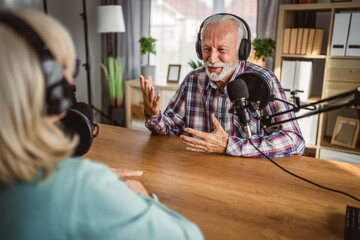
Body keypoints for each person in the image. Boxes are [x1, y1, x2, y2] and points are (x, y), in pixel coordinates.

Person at [0, 9, 203, 240]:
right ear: (50, 89)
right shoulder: (79, 186)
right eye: (67, 68)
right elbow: (189, 236)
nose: (69, 81)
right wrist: (137, 196)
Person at [139, 13, 305, 158]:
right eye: (206, 49)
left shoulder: (264, 81)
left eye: (222, 50)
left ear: (242, 50)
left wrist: (229, 145)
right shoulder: (193, 80)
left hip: (248, 176)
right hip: (197, 170)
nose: (212, 58)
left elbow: (294, 141)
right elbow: (171, 128)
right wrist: (154, 115)